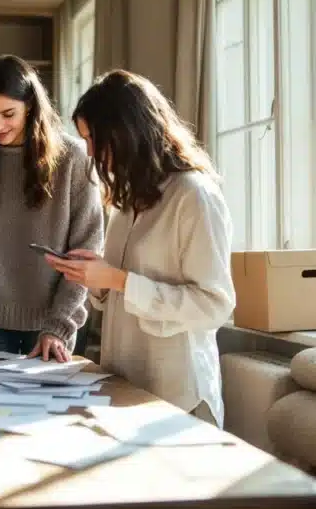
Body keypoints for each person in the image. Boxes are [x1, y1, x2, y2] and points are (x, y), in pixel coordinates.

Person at [45, 69, 235, 427]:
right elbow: (121, 290)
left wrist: (119, 280)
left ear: (125, 132)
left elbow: (214, 306)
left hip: (179, 396)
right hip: (126, 387)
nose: (88, 151)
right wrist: (95, 278)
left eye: (93, 139)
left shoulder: (194, 196)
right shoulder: (126, 202)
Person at [0, 55, 105, 362]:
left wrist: (58, 325)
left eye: (8, 114)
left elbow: (86, 252)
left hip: (54, 322)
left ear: (30, 105)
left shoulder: (73, 160)